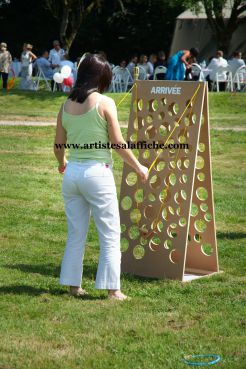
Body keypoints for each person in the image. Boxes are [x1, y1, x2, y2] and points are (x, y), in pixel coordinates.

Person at [54, 54, 148, 300]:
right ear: (101, 77)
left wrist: (61, 163)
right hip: (97, 173)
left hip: (72, 173)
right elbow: (118, 144)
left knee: (76, 233)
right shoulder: (105, 102)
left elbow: (58, 145)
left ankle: (74, 286)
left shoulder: (65, 105)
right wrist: (139, 167)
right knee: (109, 232)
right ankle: (113, 290)